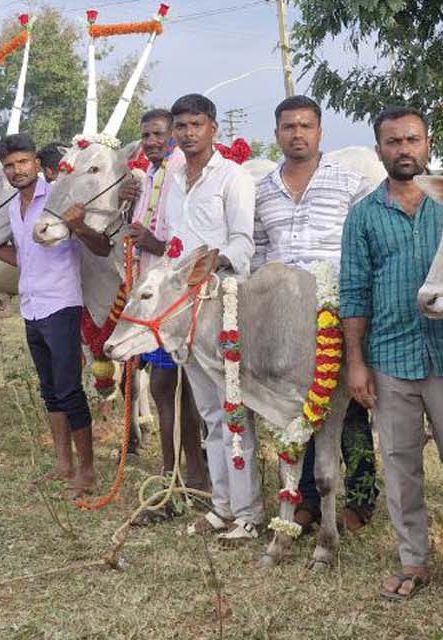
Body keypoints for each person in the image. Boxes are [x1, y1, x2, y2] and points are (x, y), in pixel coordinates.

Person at [341, 107, 443, 604]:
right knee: (401, 465)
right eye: (392, 142)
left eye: (412, 140)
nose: (404, 149)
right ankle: (414, 559)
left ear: (428, 144)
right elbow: (355, 292)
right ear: (379, 149)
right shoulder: (363, 215)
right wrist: (356, 362)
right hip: (389, 356)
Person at [129, 94, 261, 541]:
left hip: (222, 302)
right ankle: (221, 508)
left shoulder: (233, 177)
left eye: (195, 125)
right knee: (208, 412)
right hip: (182, 312)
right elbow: (173, 246)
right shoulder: (174, 179)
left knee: (233, 411)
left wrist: (214, 261)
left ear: (213, 129)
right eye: (181, 126)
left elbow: (244, 243)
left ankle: (248, 512)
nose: (187, 134)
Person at [254, 95, 381, 532]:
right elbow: (257, 255)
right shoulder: (262, 191)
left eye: (306, 126)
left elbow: (366, 247)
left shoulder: (350, 183)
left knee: (347, 405)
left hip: (337, 311)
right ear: (277, 135)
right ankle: (306, 497)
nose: (297, 134)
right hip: (284, 319)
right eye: (289, 127)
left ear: (320, 132)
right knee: (296, 406)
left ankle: (362, 499)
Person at [0, 133, 112, 499]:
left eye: (23, 162)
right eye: (10, 165)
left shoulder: (60, 196)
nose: (17, 170)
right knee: (50, 391)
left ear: (37, 164)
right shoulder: (14, 207)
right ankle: (63, 466)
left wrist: (79, 226)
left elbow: (101, 248)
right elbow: (26, 256)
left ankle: (87, 473)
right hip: (31, 305)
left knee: (70, 389)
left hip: (62, 304)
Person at [122, 107, 211, 526]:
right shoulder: (156, 175)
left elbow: (181, 246)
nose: (153, 141)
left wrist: (151, 241)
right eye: (148, 135)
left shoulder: (179, 173)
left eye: (160, 133)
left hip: (179, 303)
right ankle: (179, 477)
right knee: (166, 389)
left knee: (178, 390)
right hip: (155, 300)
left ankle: (190, 481)